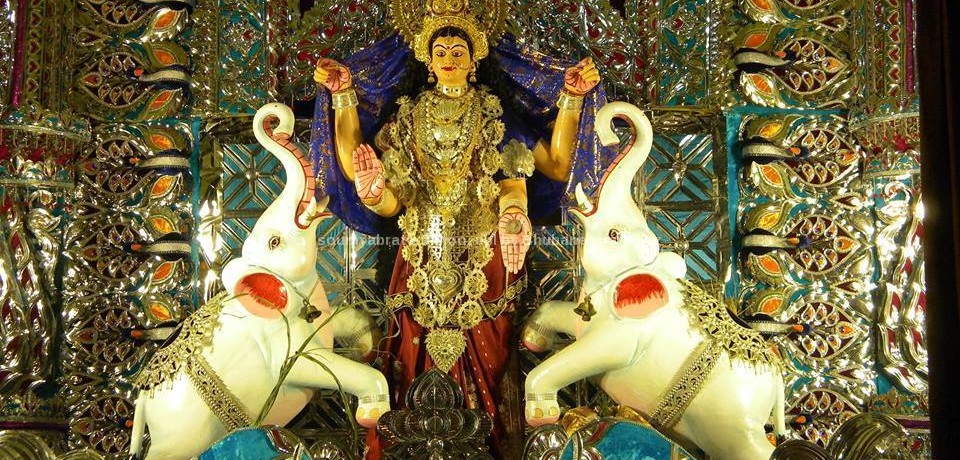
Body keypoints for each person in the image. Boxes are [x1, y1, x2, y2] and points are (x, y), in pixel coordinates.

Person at [311, 2, 600, 457]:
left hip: (484, 255)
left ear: (474, 57)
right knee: (409, 353)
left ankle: (490, 447)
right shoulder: (408, 117)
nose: (449, 58)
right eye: (440, 50)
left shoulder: (493, 114)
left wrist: (571, 100)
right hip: (419, 257)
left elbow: (551, 166)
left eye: (458, 51)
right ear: (427, 59)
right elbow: (386, 192)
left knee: (490, 354)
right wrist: (371, 188)